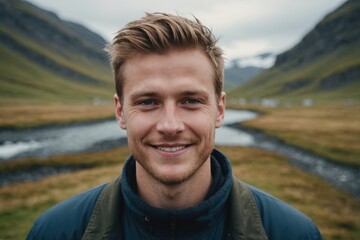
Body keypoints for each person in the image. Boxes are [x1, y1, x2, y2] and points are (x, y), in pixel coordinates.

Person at [27, 13, 323, 240]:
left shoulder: (294, 233)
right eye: (147, 102)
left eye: (191, 100)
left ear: (219, 110)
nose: (170, 125)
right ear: (120, 112)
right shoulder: (54, 231)